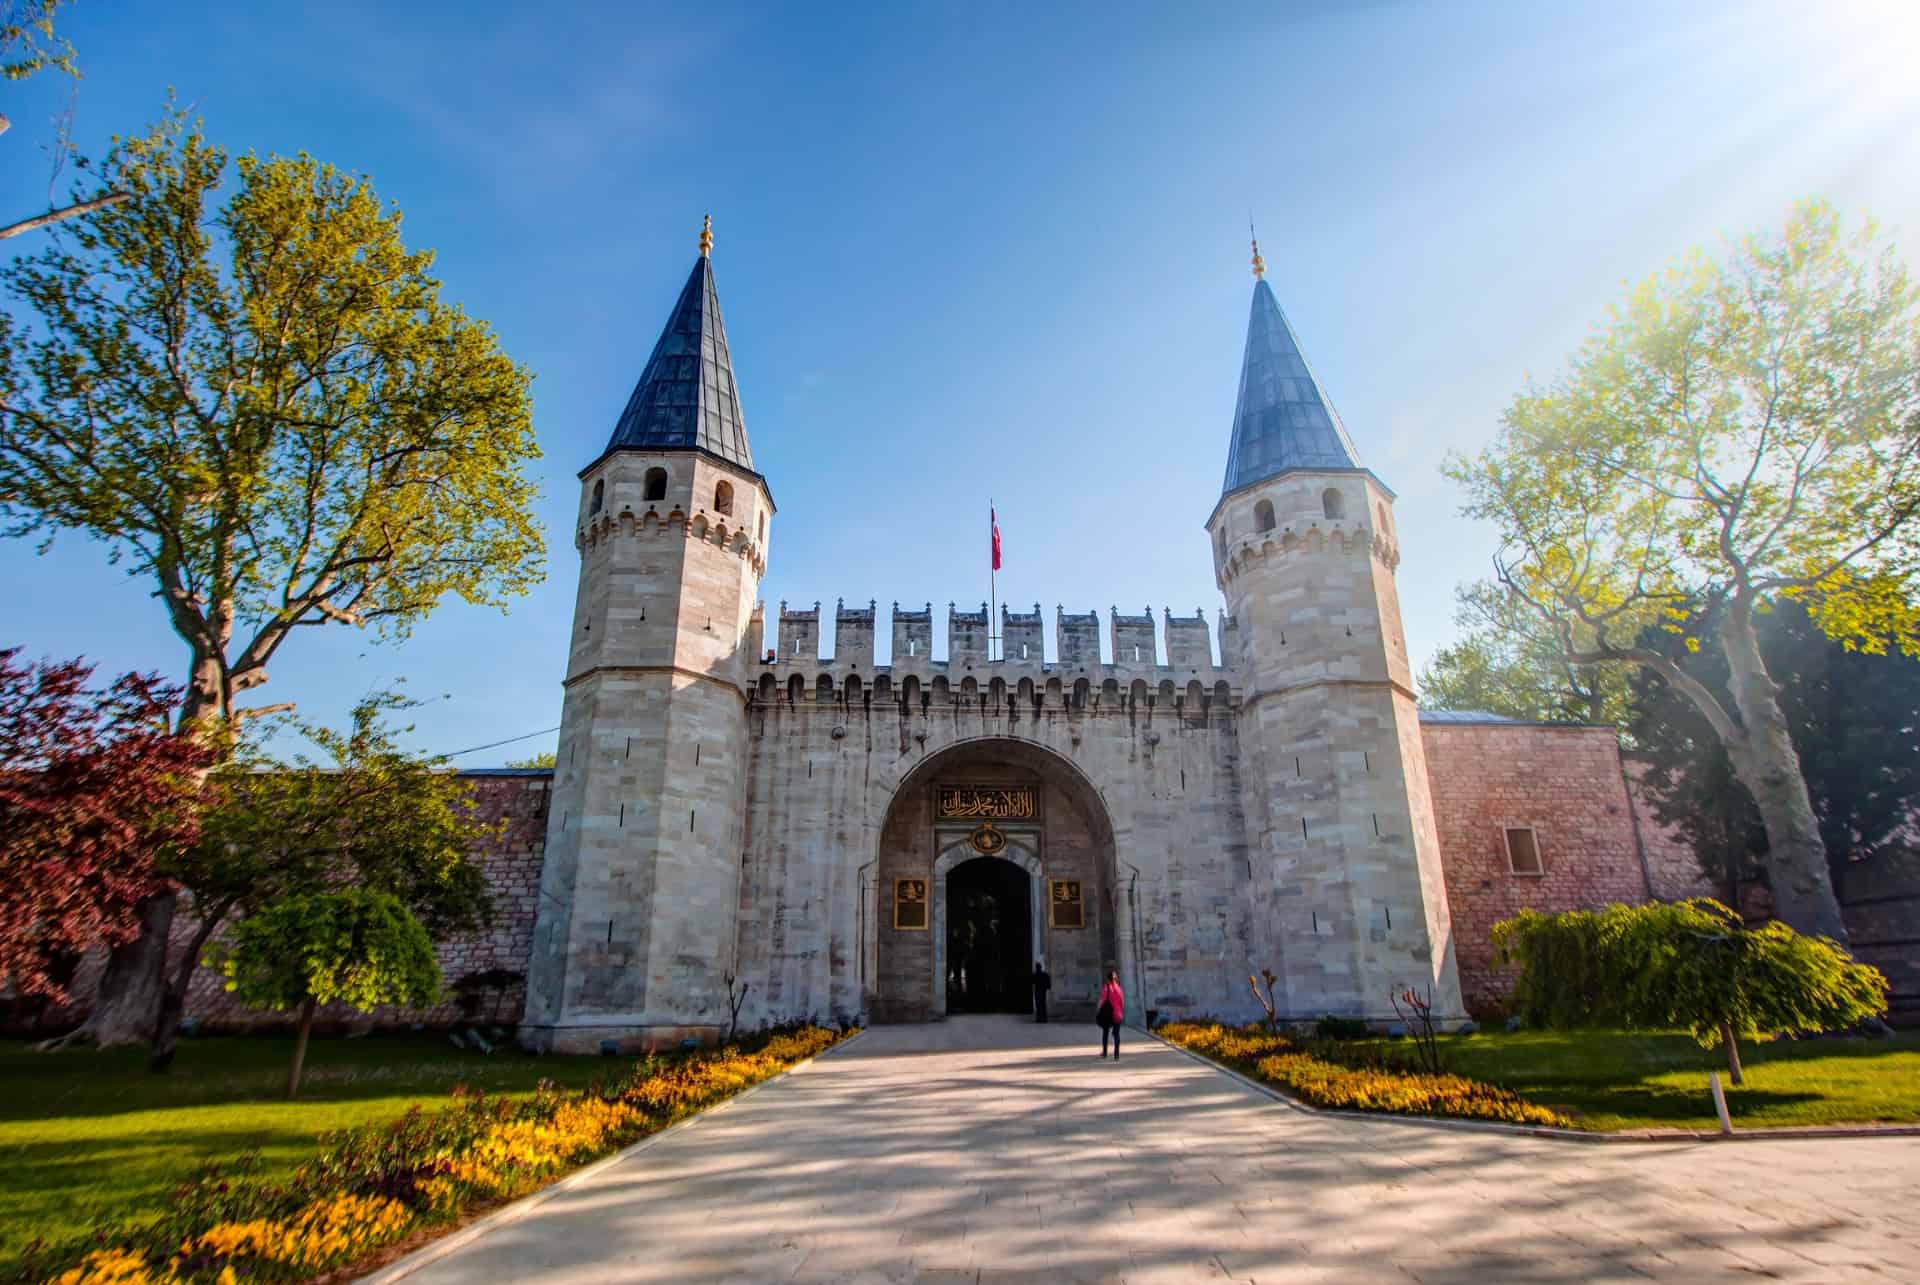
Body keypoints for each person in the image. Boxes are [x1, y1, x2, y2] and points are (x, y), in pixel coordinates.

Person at [1096, 968, 1124, 1059]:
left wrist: (1098, 1010)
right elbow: (1122, 1002)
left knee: (1105, 1032)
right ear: (1115, 978)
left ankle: (1105, 1053)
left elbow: (1102, 1001)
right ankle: (1117, 1055)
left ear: (1108, 978)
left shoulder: (1106, 988)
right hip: (1117, 1014)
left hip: (1108, 1015)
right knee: (1117, 1034)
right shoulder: (1119, 989)